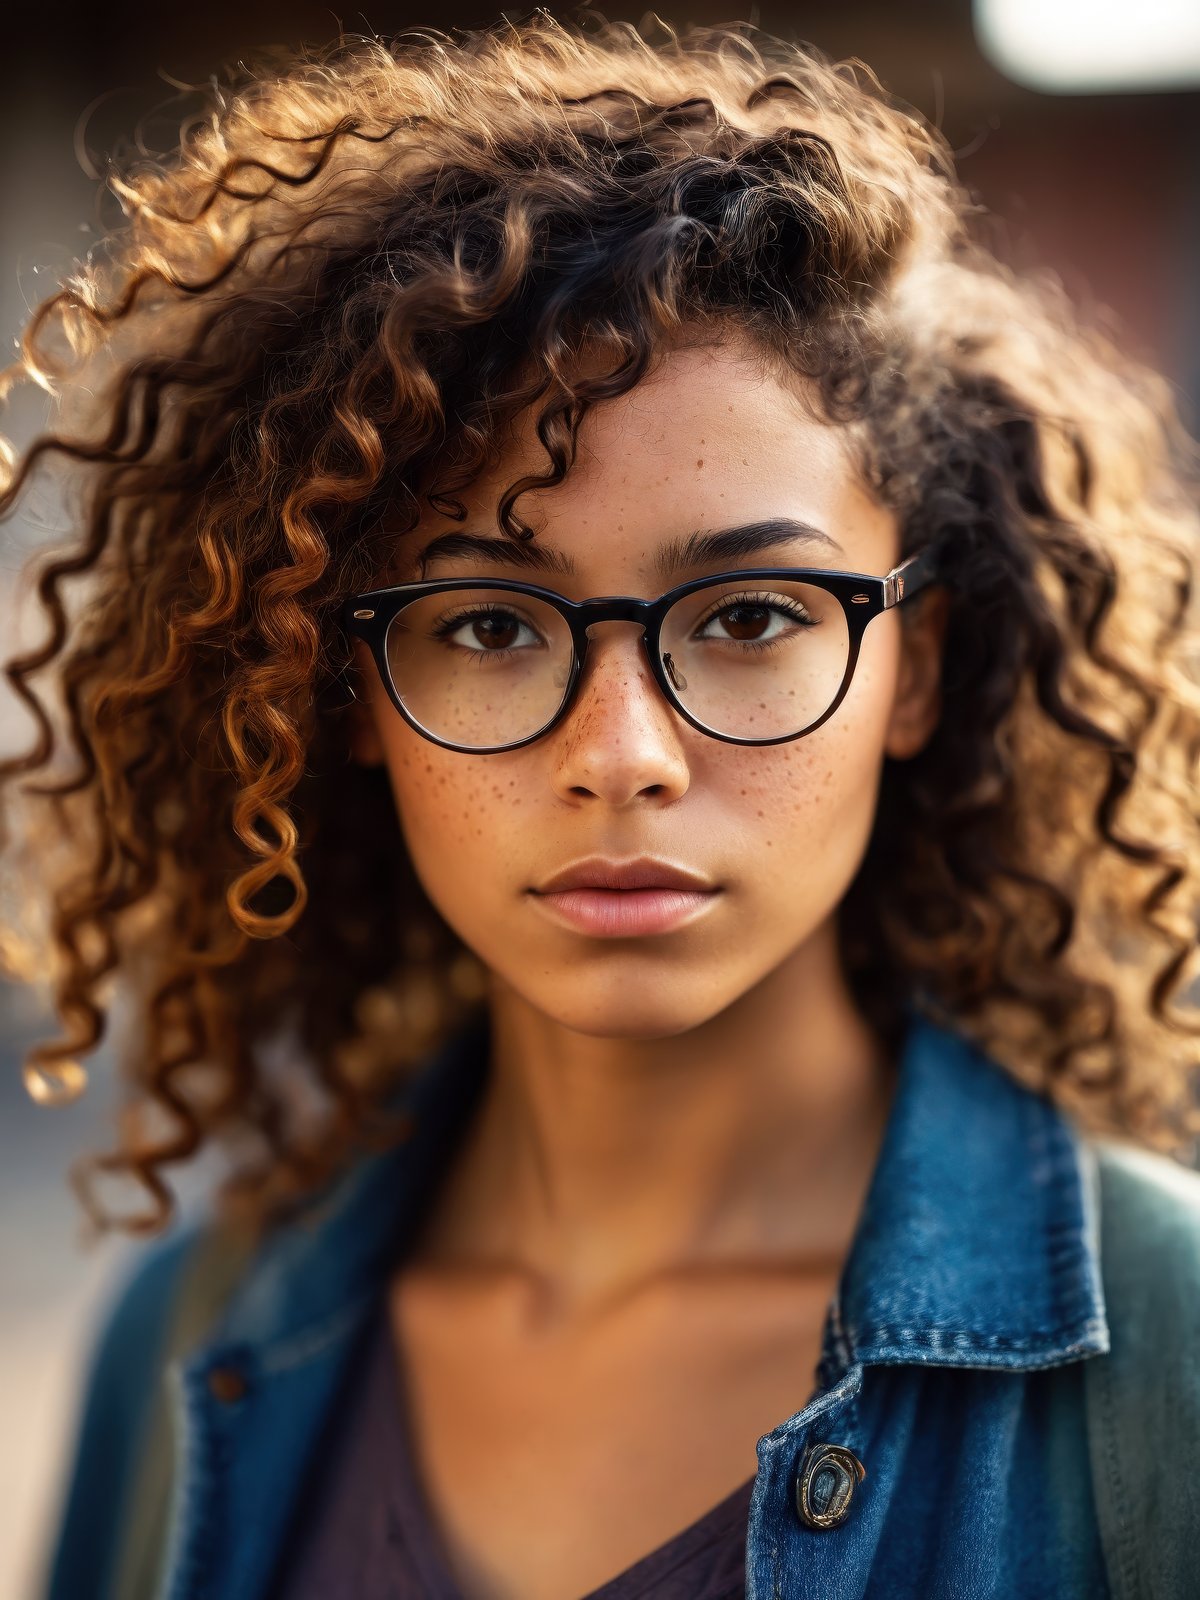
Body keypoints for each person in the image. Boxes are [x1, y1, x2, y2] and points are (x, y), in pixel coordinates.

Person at [3, 11, 1199, 1599]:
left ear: (915, 669)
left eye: (755, 617)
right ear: (345, 688)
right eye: (491, 628)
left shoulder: (1167, 1359)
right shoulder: (197, 1338)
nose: (622, 753)